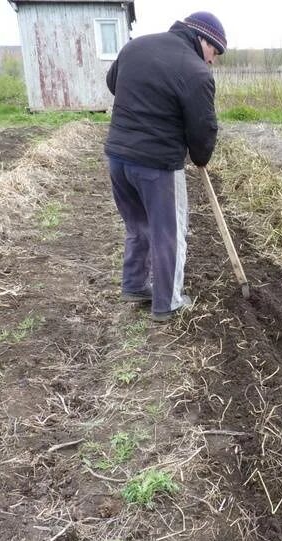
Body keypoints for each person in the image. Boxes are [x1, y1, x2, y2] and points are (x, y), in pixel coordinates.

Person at [104, 11, 227, 322]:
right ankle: (167, 303)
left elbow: (113, 83)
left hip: (117, 157)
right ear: (202, 39)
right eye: (215, 51)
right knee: (168, 233)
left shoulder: (136, 47)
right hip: (157, 165)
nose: (213, 60)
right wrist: (200, 157)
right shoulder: (196, 71)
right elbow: (202, 127)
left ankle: (134, 285)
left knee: (138, 225)